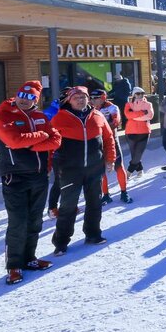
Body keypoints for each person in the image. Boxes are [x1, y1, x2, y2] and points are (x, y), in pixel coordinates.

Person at [0, 81, 62, 284]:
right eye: (22, 95)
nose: (25, 100)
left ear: (36, 100)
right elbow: (14, 141)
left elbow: (56, 139)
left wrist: (32, 145)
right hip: (15, 177)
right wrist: (40, 136)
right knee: (18, 222)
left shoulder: (40, 116)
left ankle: (29, 258)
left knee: (35, 221)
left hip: (39, 175)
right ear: (16, 95)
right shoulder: (4, 116)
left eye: (30, 97)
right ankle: (14, 265)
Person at [49, 86, 116, 255]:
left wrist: (110, 159)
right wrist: (50, 165)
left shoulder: (98, 115)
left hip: (94, 168)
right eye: (76, 97)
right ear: (69, 100)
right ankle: (61, 242)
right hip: (70, 169)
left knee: (95, 202)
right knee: (68, 206)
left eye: (83, 97)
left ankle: (93, 234)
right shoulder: (59, 118)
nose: (81, 100)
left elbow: (108, 139)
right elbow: (50, 144)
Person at [92, 89, 130, 204]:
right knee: (100, 170)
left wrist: (99, 129)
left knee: (118, 166)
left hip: (111, 141)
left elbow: (116, 123)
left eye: (95, 98)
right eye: (91, 98)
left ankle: (124, 192)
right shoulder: (90, 109)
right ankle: (105, 194)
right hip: (97, 143)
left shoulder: (112, 108)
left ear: (103, 97)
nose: (92, 100)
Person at [123, 87, 154, 180]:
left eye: (142, 93)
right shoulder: (128, 104)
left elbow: (150, 116)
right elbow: (127, 115)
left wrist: (134, 117)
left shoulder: (148, 104)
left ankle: (128, 173)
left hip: (144, 132)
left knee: (138, 154)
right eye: (138, 93)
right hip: (130, 132)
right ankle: (140, 170)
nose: (140, 95)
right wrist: (141, 113)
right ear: (134, 95)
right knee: (134, 154)